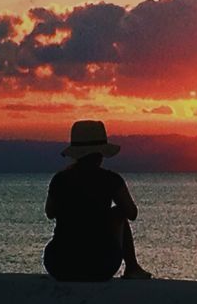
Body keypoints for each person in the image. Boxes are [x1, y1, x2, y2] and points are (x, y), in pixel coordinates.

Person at [43, 120, 152, 281]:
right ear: (100, 154)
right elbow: (132, 213)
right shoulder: (111, 179)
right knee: (119, 212)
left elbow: (50, 213)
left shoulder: (60, 179)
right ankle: (132, 267)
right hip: (99, 265)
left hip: (59, 264)